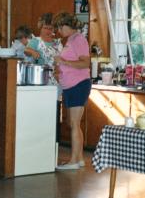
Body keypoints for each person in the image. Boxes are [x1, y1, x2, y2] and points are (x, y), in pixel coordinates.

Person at [53, 12, 91, 170]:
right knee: (73, 123)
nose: (59, 31)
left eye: (60, 28)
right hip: (72, 86)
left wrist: (63, 61)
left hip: (78, 85)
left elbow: (85, 63)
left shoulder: (79, 40)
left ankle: (73, 161)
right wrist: (59, 69)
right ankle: (79, 158)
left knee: (74, 123)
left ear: (66, 26)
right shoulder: (70, 40)